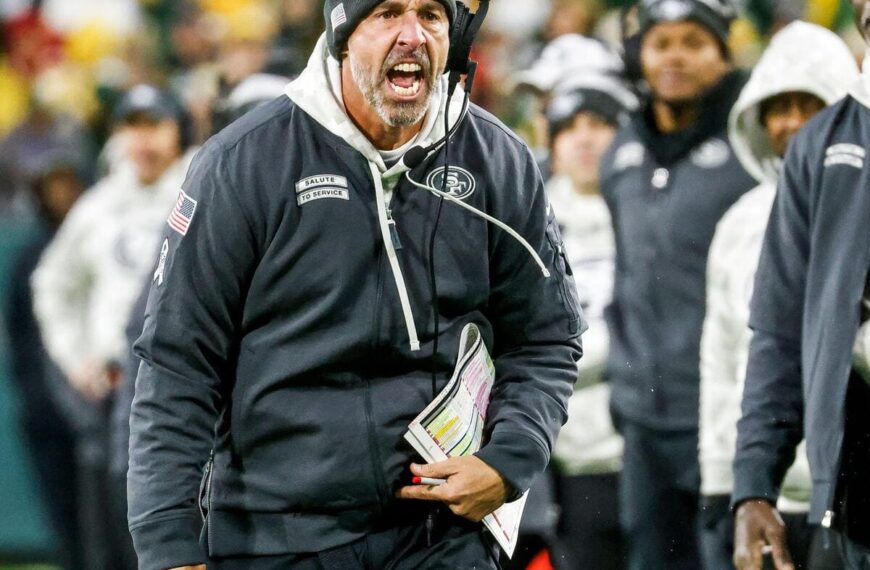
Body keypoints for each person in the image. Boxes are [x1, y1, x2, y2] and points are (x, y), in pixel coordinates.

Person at [126, 1, 583, 569]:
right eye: (388, 13)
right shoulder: (242, 163)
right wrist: (170, 544)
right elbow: (178, 365)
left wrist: (508, 461)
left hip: (441, 536)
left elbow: (547, 338)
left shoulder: (498, 160)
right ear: (344, 30)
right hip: (277, 538)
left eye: (431, 15)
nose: (412, 35)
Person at [597, 0, 756, 567]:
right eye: (663, 43)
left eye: (694, 42)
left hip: (725, 418)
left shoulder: (751, 148)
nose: (676, 58)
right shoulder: (622, 152)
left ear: (723, 52)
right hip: (644, 421)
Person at [700, 21, 859, 570]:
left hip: (831, 482)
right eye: (777, 107)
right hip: (793, 484)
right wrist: (736, 481)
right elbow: (737, 353)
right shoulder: (740, 222)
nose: (790, 123)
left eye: (806, 103)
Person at [30, 84, 196, 570]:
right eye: (132, 127)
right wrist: (75, 357)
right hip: (112, 392)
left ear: (178, 131)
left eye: (154, 126)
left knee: (174, 536)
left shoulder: (205, 185)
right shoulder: (100, 203)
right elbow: (52, 283)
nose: (142, 141)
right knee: (109, 542)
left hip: (183, 391)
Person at [544, 48, 636, 570]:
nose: (584, 137)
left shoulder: (659, 212)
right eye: (569, 126)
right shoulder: (524, 224)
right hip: (569, 457)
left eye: (599, 122)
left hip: (647, 447)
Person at [5, 156, 86, 569]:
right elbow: (21, 337)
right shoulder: (29, 257)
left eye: (67, 184)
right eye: (53, 186)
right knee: (65, 523)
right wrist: (38, 392)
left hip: (95, 407)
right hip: (47, 409)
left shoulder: (96, 240)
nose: (62, 195)